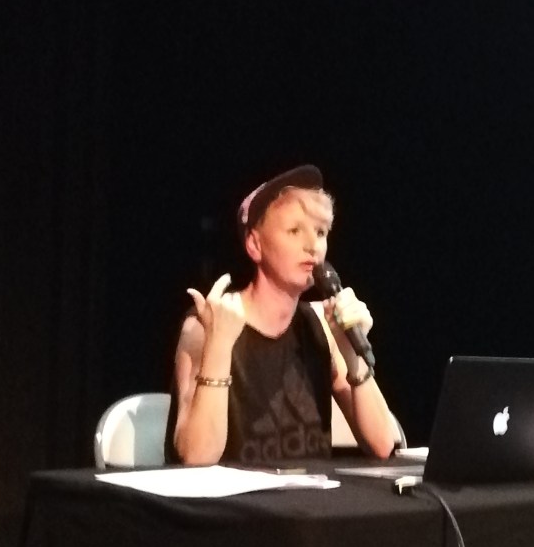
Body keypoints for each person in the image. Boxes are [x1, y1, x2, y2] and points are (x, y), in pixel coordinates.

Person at [165, 164, 396, 465]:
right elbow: (196, 456)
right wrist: (219, 346)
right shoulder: (208, 324)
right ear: (255, 244)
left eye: (320, 232)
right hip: (238, 496)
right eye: (294, 231)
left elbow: (382, 444)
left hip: (311, 494)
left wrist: (352, 354)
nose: (312, 246)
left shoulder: (319, 326)